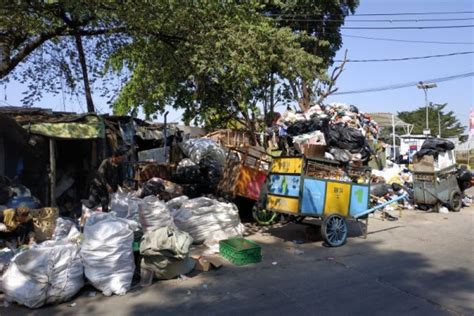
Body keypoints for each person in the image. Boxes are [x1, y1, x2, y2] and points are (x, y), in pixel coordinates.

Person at [86, 145, 129, 212]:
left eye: (121, 159)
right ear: (114, 157)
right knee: (92, 203)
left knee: (105, 203)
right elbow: (101, 176)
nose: (120, 160)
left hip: (106, 188)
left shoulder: (119, 165)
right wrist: (108, 186)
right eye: (119, 158)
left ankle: (104, 218)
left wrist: (123, 186)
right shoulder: (106, 162)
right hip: (98, 185)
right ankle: (84, 211)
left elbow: (121, 177)